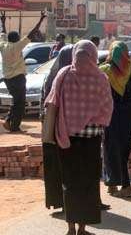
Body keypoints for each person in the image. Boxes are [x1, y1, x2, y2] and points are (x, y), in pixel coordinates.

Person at [44, 40, 113, 235]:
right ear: (93, 54)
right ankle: (83, 228)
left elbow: (52, 100)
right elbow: (107, 108)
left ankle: (71, 228)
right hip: (92, 140)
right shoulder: (100, 78)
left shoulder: (64, 74)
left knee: (70, 181)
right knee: (89, 182)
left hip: (66, 137)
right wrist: (94, 119)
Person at [101, 42, 131, 198]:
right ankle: (124, 185)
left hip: (110, 111)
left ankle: (113, 183)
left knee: (109, 146)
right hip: (129, 113)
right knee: (124, 148)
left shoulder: (104, 70)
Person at [1, 10, 47, 132]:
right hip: (18, 78)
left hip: (7, 79)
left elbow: (3, 34)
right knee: (20, 103)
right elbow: (32, 33)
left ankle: (10, 122)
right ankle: (13, 125)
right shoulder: (17, 46)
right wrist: (41, 19)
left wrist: (3, 22)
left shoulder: (3, 46)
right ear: (16, 39)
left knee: (16, 101)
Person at [41, 44, 73, 211]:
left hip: (53, 128)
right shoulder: (62, 77)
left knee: (58, 165)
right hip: (58, 128)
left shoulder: (53, 76)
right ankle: (63, 202)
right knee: (60, 165)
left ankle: (61, 202)